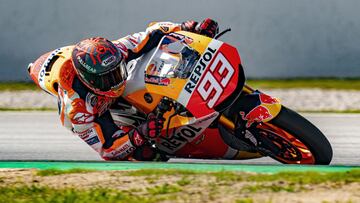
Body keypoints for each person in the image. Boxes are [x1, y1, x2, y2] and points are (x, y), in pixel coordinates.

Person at [28, 18, 219, 161]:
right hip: (90, 109)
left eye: (117, 71)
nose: (116, 81)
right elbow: (107, 149)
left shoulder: (117, 49)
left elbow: (154, 33)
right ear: (89, 80)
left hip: (77, 59)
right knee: (145, 155)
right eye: (108, 79)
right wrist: (139, 135)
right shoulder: (77, 107)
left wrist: (186, 28)